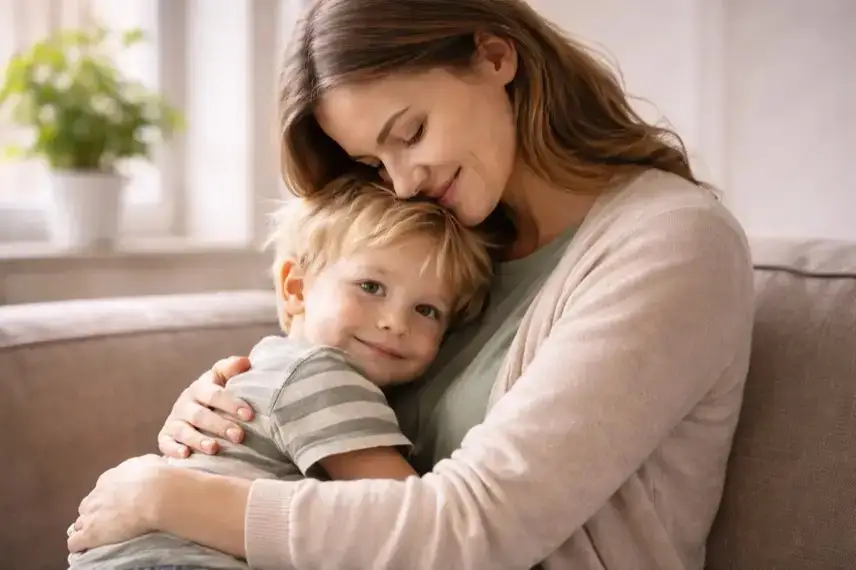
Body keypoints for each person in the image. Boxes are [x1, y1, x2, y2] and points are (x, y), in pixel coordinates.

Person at [67, 0, 756, 568]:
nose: (403, 182)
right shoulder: (453, 247)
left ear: (494, 56)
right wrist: (238, 410)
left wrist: (168, 497)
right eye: (373, 160)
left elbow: (474, 529)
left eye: (411, 131)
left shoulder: (670, 243)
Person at [67, 175, 493, 570]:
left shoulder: (270, 364)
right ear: (296, 288)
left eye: (426, 310)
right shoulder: (324, 375)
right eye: (371, 287)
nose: (396, 322)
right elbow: (408, 519)